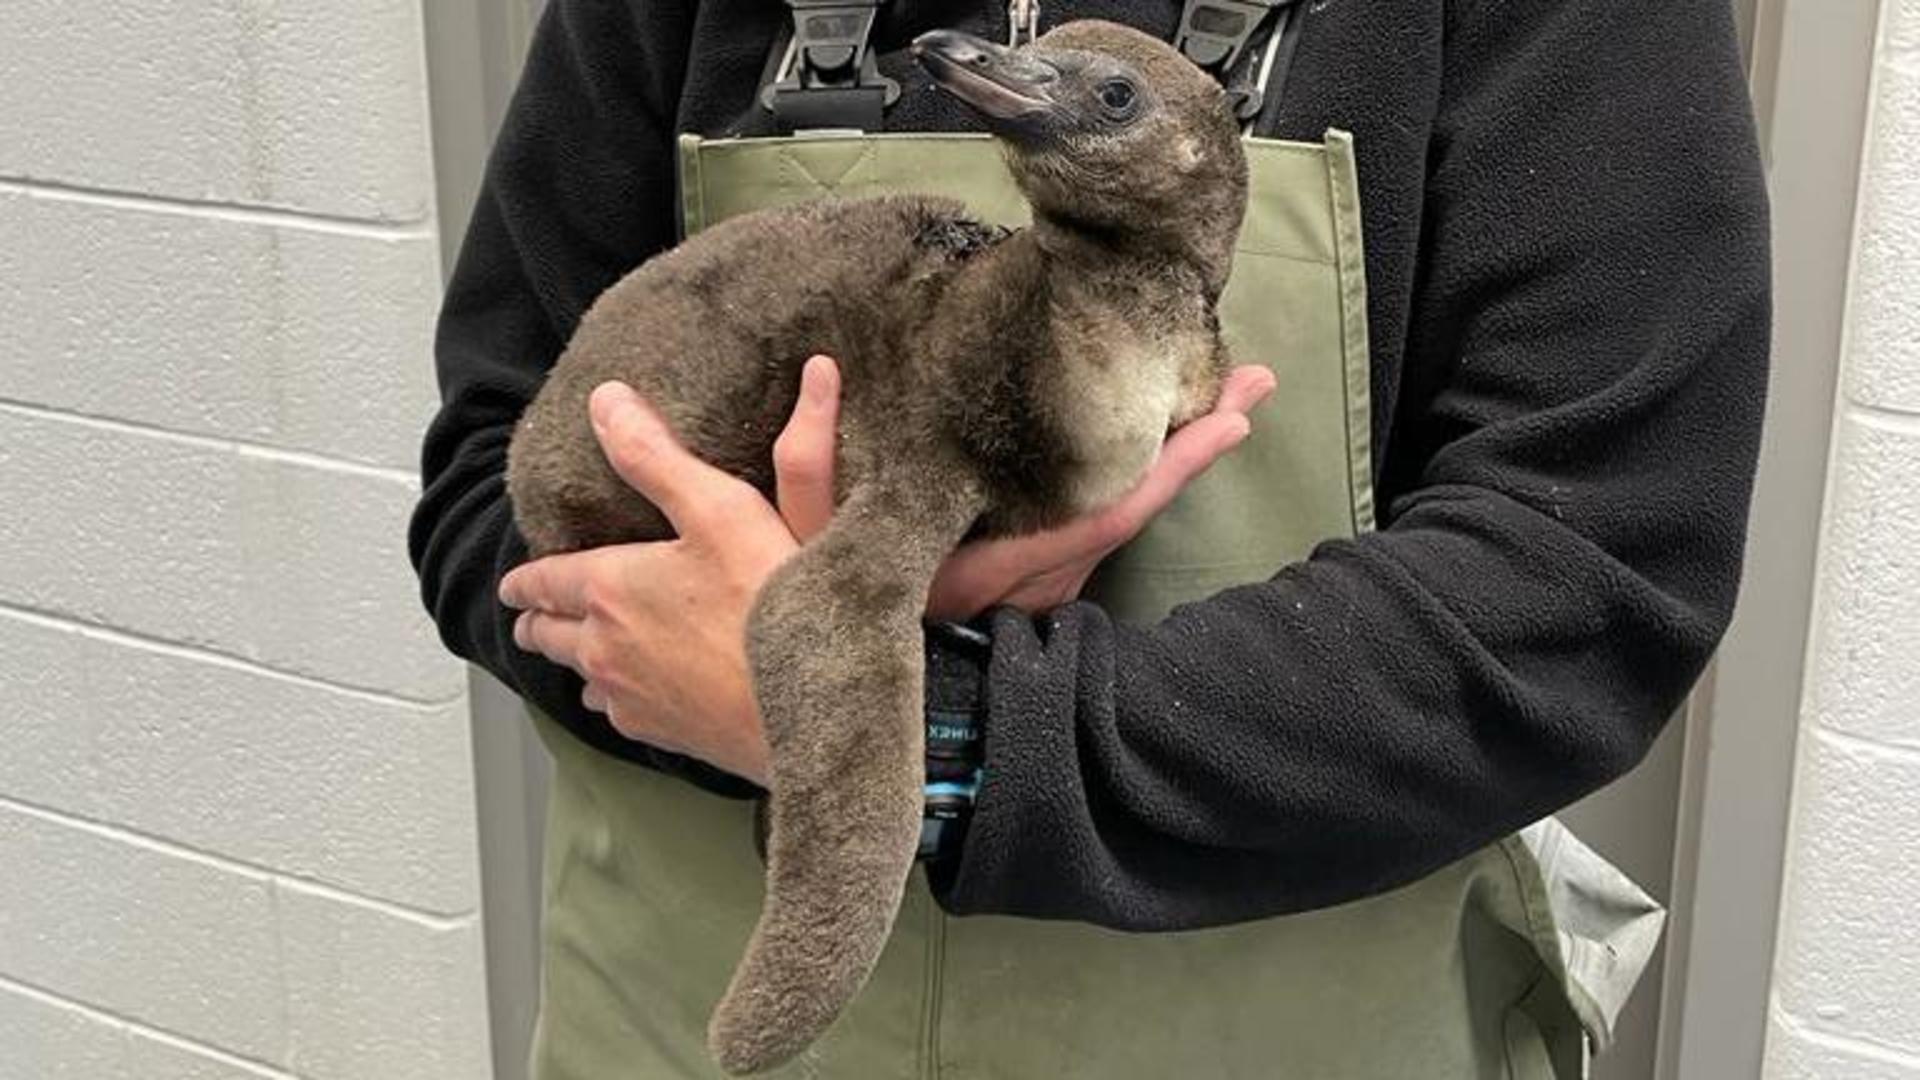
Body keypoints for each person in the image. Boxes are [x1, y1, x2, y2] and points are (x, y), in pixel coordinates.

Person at [410, 1, 1769, 1076]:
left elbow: (1577, 590)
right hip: (674, 1024)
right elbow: (487, 476)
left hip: (1280, 1035)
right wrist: (696, 625)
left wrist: (927, 728)